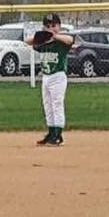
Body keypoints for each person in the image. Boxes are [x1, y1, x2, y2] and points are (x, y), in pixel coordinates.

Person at [33, 12, 75, 146]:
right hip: (46, 77)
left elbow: (70, 40)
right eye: (48, 25)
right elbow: (28, 41)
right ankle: (51, 132)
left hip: (58, 76)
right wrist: (43, 36)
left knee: (57, 105)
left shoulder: (61, 42)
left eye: (54, 25)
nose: (51, 27)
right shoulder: (43, 43)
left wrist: (55, 35)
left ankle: (58, 135)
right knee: (48, 106)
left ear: (59, 26)